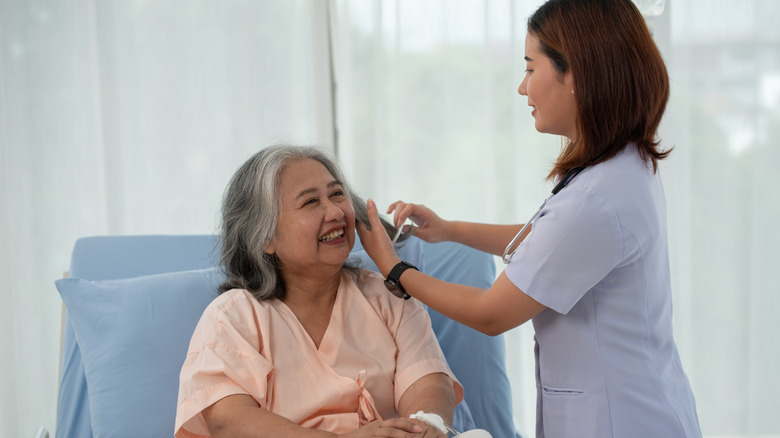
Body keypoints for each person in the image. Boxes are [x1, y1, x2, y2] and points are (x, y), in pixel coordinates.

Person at [356, 0, 702, 437]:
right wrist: (447, 230)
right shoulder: (623, 166)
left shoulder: (594, 200)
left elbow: (489, 314)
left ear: (575, 73)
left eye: (530, 68)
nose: (522, 88)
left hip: (616, 420)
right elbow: (547, 242)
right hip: (645, 402)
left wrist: (395, 269)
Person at [174, 145, 465, 438]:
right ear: (265, 237)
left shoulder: (388, 296)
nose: (336, 211)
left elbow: (429, 381)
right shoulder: (233, 317)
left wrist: (426, 426)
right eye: (311, 202)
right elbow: (229, 420)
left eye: (337, 194)